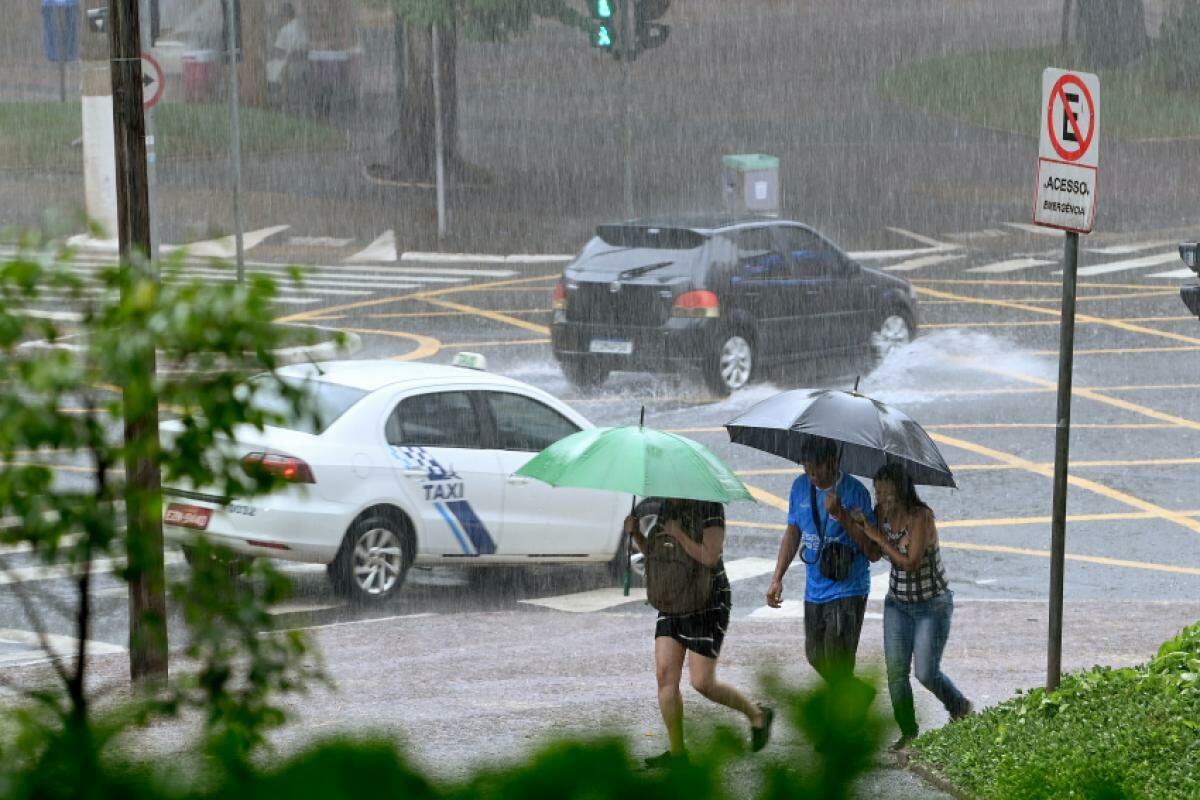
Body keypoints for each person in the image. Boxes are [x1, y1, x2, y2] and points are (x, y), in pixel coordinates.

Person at [625, 498, 773, 767]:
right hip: (672, 598)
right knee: (664, 676)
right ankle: (678, 753)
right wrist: (635, 533)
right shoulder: (667, 505)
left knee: (702, 682)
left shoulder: (710, 507)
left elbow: (709, 556)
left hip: (706, 599)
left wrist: (678, 534)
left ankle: (757, 715)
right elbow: (659, 556)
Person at [849, 463, 973, 752]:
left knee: (926, 673)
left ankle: (959, 705)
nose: (880, 499)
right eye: (877, 492)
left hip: (932, 604)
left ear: (902, 491)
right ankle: (909, 731)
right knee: (895, 673)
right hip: (898, 604)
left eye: (887, 493)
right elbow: (873, 555)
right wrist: (853, 524)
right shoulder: (880, 515)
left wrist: (877, 535)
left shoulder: (921, 517)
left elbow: (911, 562)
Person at [766, 437, 879, 678]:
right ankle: (856, 696)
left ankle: (847, 712)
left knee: (838, 661)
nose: (812, 474)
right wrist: (777, 577)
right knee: (815, 655)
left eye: (816, 467)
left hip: (848, 589)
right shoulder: (799, 487)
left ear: (832, 462)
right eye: (806, 467)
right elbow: (793, 531)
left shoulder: (855, 492)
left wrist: (842, 516)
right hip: (814, 589)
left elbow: (872, 551)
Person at [266, 3, 308, 106]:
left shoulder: (285, 29)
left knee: (270, 68)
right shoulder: (302, 27)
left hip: (288, 61)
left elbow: (278, 50)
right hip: (302, 62)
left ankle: (275, 98)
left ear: (285, 15)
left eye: (281, 15)